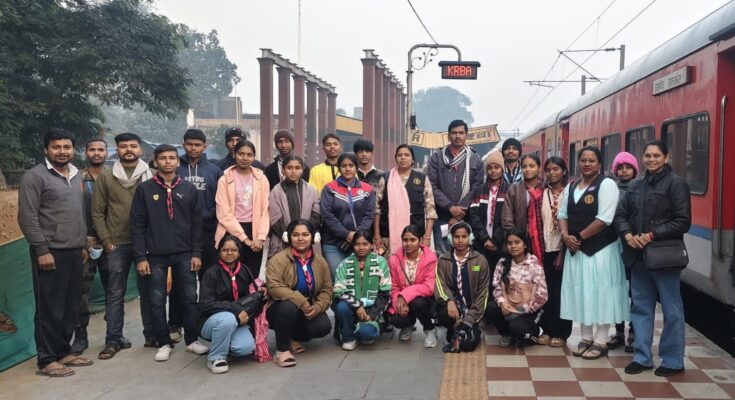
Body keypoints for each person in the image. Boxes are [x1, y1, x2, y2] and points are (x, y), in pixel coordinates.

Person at [18, 128, 93, 377]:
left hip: (75, 250)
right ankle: (46, 359)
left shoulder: (76, 175)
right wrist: (42, 249)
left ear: (73, 149)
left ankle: (63, 351)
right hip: (50, 252)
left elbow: (79, 212)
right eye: (56, 147)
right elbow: (27, 217)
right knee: (49, 307)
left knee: (70, 306)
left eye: (66, 147)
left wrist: (83, 244)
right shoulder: (34, 177)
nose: (62, 151)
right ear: (46, 149)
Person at [614, 141, 691, 377]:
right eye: (647, 155)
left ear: (666, 158)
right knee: (640, 307)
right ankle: (642, 357)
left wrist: (650, 235)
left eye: (657, 155)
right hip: (638, 256)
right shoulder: (635, 185)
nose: (652, 159)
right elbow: (621, 216)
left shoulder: (676, 184)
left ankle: (673, 360)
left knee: (671, 309)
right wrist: (628, 235)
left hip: (664, 257)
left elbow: (682, 221)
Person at [131, 144, 205, 362]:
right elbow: (137, 225)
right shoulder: (145, 189)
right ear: (155, 162)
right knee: (156, 299)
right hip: (155, 255)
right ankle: (163, 342)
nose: (167, 162)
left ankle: (192, 340)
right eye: (163, 158)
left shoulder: (188, 189)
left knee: (189, 297)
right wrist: (140, 257)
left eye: (172, 158)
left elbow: (197, 224)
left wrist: (197, 253)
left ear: (177, 161)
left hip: (185, 253)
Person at [558, 146, 629, 360]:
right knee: (582, 292)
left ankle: (601, 340)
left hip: (601, 251)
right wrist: (565, 236)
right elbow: (562, 214)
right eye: (583, 160)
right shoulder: (571, 186)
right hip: (576, 250)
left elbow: (605, 218)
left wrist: (578, 237)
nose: (587, 164)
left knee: (601, 292)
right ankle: (586, 337)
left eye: (592, 160)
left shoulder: (607, 185)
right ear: (578, 162)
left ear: (599, 164)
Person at [92, 132, 154, 359]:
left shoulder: (151, 176)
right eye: (123, 146)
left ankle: (152, 335)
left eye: (133, 146)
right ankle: (113, 339)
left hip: (146, 243)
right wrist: (107, 241)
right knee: (115, 293)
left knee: (149, 292)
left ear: (140, 150)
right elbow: (97, 213)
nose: (129, 150)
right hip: (117, 244)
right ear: (116, 150)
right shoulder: (106, 177)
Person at [170, 128, 222, 347]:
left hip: (208, 232)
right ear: (183, 144)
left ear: (204, 146)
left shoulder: (214, 171)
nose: (193, 148)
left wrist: (205, 216)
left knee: (208, 279)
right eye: (189, 144)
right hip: (180, 234)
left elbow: (221, 201)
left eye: (197, 145)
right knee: (180, 282)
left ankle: (203, 322)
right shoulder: (175, 168)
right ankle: (175, 324)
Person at [197, 235, 269, 374]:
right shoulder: (211, 273)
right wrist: (234, 308)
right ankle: (215, 358)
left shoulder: (244, 269)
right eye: (225, 250)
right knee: (227, 319)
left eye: (234, 250)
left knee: (245, 348)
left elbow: (252, 291)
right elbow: (205, 305)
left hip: (237, 321)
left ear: (239, 252)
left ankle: (222, 342)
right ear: (219, 252)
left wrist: (263, 289)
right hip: (211, 321)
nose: (229, 253)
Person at [266, 220, 333, 367]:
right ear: (289, 237)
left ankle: (292, 336)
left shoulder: (320, 261)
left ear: (313, 237)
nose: (300, 238)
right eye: (296, 235)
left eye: (305, 234)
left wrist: (317, 307)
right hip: (279, 308)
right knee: (288, 308)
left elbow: (327, 290)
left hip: (307, 308)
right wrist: (301, 301)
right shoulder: (278, 259)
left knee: (323, 326)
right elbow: (274, 287)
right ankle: (282, 350)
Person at [72, 137, 109, 356]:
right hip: (83, 244)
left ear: (106, 153)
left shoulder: (113, 177)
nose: (96, 153)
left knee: (113, 290)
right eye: (92, 149)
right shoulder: (76, 178)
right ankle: (80, 337)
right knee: (80, 291)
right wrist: (84, 237)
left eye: (100, 149)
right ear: (85, 153)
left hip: (110, 242)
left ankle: (114, 335)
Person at [427, 119, 484, 254]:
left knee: (466, 254)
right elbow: (431, 185)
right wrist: (450, 207)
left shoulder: (475, 159)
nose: (457, 136)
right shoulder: (437, 158)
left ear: (466, 135)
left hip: (466, 217)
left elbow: (477, 187)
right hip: (442, 217)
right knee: (444, 255)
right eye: (454, 133)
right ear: (448, 136)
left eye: (461, 133)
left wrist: (459, 212)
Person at [214, 140, 270, 278]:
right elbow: (223, 213)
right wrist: (245, 239)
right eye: (241, 154)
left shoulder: (261, 179)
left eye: (249, 155)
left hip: (255, 231)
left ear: (254, 157)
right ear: (234, 154)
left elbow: (266, 211)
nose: (245, 158)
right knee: (229, 276)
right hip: (230, 231)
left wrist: (260, 237)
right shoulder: (224, 179)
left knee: (251, 276)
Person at [485, 228, 548, 347]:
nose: (513, 246)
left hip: (528, 310)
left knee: (517, 328)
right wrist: (502, 303)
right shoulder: (503, 263)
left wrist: (520, 310)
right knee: (491, 308)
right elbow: (496, 286)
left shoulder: (534, 264)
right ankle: (507, 334)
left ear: (525, 244)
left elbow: (542, 295)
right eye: (510, 243)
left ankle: (532, 335)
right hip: (508, 306)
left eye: (517, 242)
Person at [435, 222, 490, 353]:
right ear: (451, 238)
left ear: (470, 238)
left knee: (468, 345)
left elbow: (483, 292)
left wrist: (469, 318)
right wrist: (449, 301)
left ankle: (469, 326)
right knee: (442, 313)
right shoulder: (443, 260)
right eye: (456, 237)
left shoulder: (480, 260)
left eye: (464, 237)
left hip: (473, 309)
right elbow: (440, 284)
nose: (460, 240)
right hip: (454, 308)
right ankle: (452, 328)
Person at [374, 144, 437, 257]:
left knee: (414, 266)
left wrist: (427, 237)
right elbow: (377, 209)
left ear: (413, 160)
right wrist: (377, 236)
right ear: (395, 159)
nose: (403, 157)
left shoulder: (422, 179)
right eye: (399, 155)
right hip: (388, 236)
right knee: (389, 265)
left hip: (415, 237)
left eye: (407, 155)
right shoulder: (386, 179)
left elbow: (430, 211)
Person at [333, 231, 392, 350]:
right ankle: (349, 337)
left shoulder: (380, 262)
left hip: (371, 310)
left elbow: (385, 292)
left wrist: (372, 315)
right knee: (341, 306)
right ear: (353, 245)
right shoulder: (344, 264)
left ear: (371, 245)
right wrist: (357, 305)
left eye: (365, 244)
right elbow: (339, 292)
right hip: (351, 309)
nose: (361, 248)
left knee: (367, 334)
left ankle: (363, 330)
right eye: (357, 244)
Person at [320, 153, 376, 276]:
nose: (347, 169)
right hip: (333, 243)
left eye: (351, 165)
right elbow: (326, 214)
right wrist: (346, 234)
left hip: (360, 243)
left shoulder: (367, 189)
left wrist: (357, 236)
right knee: (338, 275)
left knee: (359, 276)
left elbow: (369, 215)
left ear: (356, 167)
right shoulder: (329, 188)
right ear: (339, 168)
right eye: (343, 166)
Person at [537, 156, 572, 347]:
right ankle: (547, 330)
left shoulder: (571, 192)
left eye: (556, 169)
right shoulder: (541, 193)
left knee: (563, 291)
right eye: (548, 170)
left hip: (565, 250)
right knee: (547, 291)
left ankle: (562, 332)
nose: (552, 173)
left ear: (564, 171)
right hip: (545, 249)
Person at [387, 225, 439, 347]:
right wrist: (398, 302)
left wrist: (404, 295)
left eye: (413, 240)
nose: (408, 243)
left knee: (417, 303)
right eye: (405, 240)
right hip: (402, 299)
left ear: (420, 240)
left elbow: (429, 286)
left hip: (425, 300)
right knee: (396, 320)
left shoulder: (430, 259)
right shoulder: (394, 260)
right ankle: (408, 325)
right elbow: (393, 286)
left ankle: (430, 329)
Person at [607, 151, 639, 352]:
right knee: (617, 289)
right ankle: (618, 331)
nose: (624, 171)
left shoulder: (640, 188)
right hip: (613, 245)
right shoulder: (611, 189)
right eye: (620, 168)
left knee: (636, 291)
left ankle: (634, 332)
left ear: (635, 170)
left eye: (628, 167)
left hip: (634, 245)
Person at [268, 155, 321, 257]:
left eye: (297, 168)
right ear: (283, 170)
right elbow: (275, 217)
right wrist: (288, 235)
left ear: (302, 170)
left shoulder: (311, 190)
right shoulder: (276, 191)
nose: (293, 171)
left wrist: (305, 233)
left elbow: (316, 214)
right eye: (289, 168)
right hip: (282, 239)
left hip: (305, 239)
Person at [468, 150, 508, 275]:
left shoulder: (509, 189)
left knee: (499, 275)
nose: (493, 171)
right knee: (478, 271)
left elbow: (508, 218)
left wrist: (495, 240)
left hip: (501, 244)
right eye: (490, 168)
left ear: (502, 169)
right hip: (481, 243)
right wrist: (485, 239)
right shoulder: (480, 190)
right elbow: (474, 217)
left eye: (497, 167)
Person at [502, 153, 545, 262]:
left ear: (539, 168)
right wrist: (516, 239)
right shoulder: (514, 189)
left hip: (543, 239)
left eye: (532, 166)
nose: (527, 169)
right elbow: (507, 217)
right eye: (524, 166)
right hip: (521, 240)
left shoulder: (545, 188)